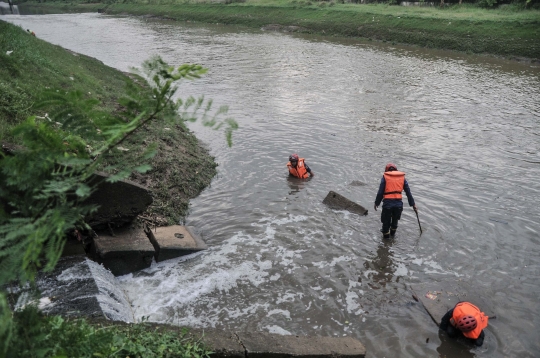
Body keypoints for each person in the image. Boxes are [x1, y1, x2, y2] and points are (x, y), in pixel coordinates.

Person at [373, 163, 416, 239]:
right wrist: (413, 204)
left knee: (386, 224)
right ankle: (392, 238)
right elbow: (408, 192)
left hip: (387, 204)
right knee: (395, 222)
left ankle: (386, 243)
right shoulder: (402, 178)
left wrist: (377, 203)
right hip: (398, 204)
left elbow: (380, 192)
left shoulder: (385, 177)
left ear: (387, 170)